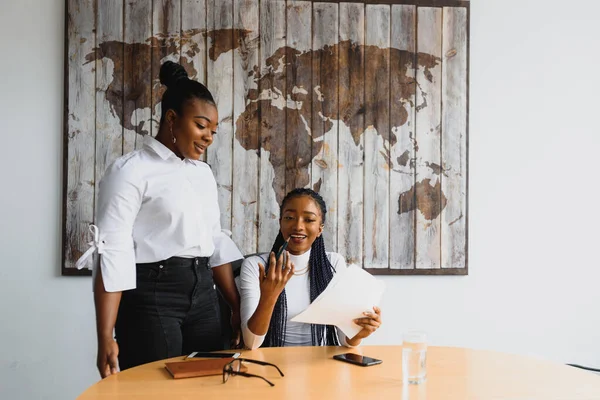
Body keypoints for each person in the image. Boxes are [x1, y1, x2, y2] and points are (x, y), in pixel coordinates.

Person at [76, 61, 243, 378]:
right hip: (152, 297)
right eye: (201, 125)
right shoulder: (131, 170)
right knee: (154, 390)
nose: (208, 136)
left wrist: (235, 306)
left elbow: (215, 241)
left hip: (205, 296)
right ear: (171, 118)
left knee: (210, 386)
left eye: (212, 130)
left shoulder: (203, 174)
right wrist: (105, 337)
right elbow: (112, 251)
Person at [239, 188, 382, 349]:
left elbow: (344, 339)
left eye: (308, 220)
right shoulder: (256, 266)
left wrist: (360, 333)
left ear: (320, 228)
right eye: (289, 218)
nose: (298, 226)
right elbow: (251, 343)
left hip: (320, 363)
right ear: (280, 223)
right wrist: (269, 296)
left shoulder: (333, 264)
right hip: (271, 363)